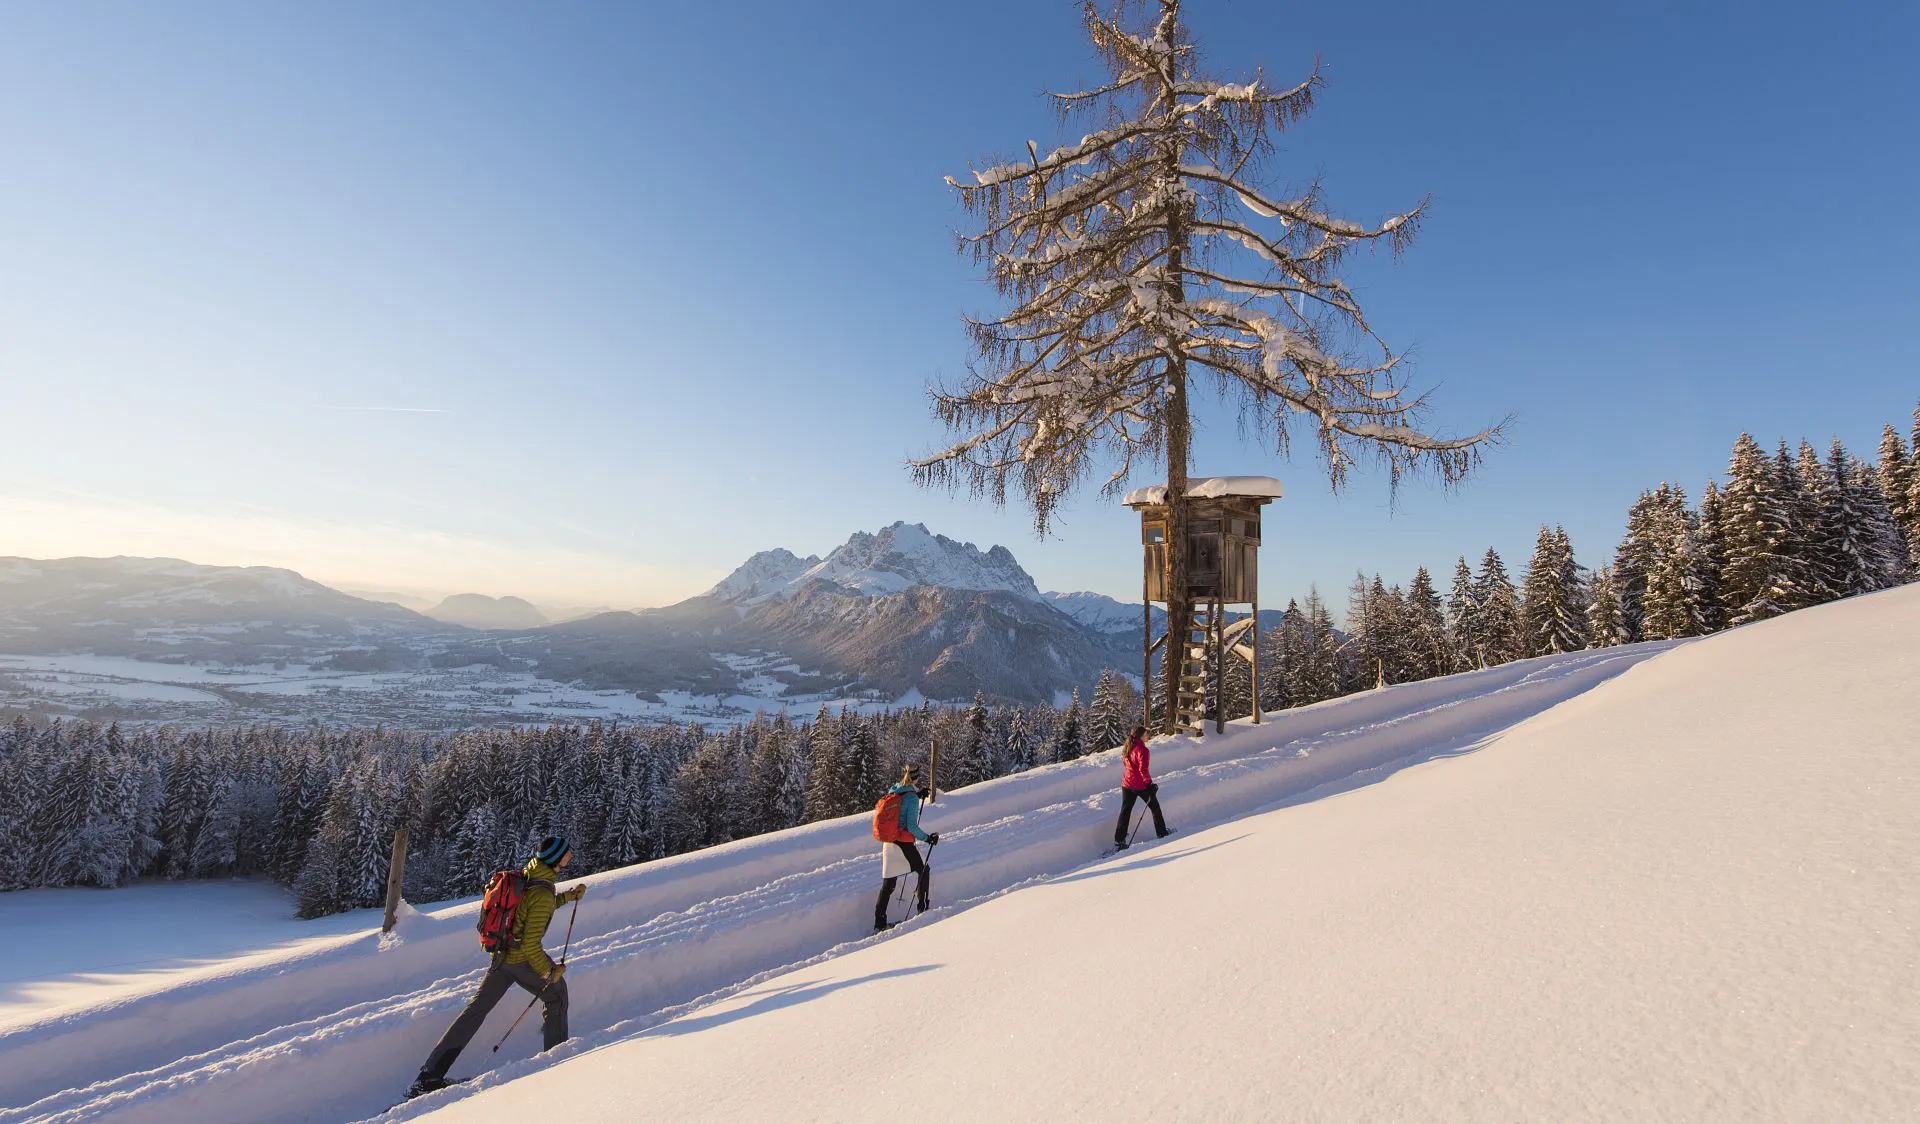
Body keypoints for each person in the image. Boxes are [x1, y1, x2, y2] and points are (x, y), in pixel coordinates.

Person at [408, 835, 586, 1099]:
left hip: (502, 957)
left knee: (475, 1011)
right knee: (557, 994)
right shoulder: (543, 892)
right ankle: (556, 1064)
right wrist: (549, 972)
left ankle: (429, 1076)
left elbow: (529, 908)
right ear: (556, 859)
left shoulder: (531, 874)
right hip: (520, 960)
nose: (570, 856)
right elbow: (531, 943)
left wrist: (567, 897)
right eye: (567, 853)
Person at [872, 764, 938, 932]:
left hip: (889, 842)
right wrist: (927, 838)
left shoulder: (894, 789)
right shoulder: (912, 799)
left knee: (888, 884)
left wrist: (917, 794)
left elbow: (900, 806)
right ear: (917, 777)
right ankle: (922, 910)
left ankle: (879, 924)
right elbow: (911, 827)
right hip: (903, 843)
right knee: (924, 870)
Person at [1113, 725, 1171, 849]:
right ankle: (1162, 833)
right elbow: (1143, 770)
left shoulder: (1129, 746)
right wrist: (1149, 784)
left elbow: (1127, 765)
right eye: (1146, 734)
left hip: (1126, 784)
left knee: (1125, 811)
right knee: (1155, 808)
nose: (1148, 736)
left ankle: (1119, 840)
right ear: (1141, 736)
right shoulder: (1143, 750)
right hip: (1139, 785)